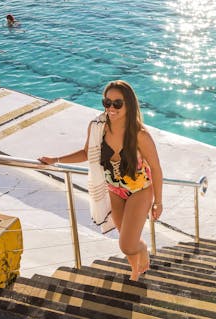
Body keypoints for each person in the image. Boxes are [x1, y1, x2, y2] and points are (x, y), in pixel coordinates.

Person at [39, 80, 163, 281]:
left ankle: (143, 249)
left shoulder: (140, 136)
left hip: (140, 190)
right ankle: (135, 274)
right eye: (107, 102)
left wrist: (158, 201)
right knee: (124, 238)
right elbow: (87, 153)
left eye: (117, 103)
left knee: (127, 244)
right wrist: (55, 160)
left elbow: (156, 169)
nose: (111, 108)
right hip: (114, 190)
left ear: (129, 104)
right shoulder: (98, 128)